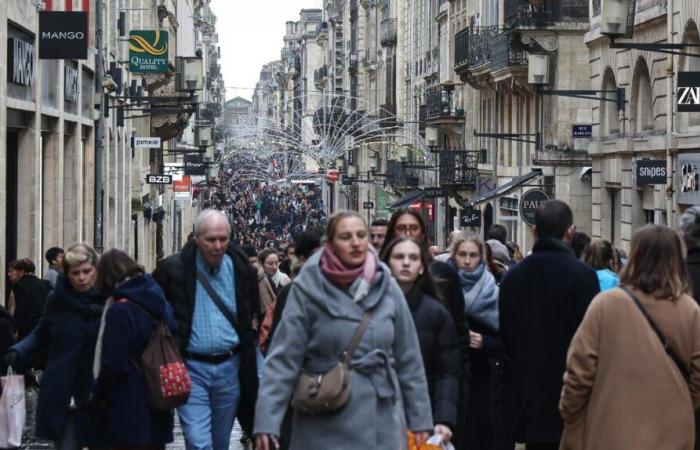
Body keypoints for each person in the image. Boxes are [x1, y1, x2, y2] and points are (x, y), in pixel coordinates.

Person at [254, 211, 433, 450]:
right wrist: (267, 421)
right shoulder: (307, 288)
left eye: (361, 235)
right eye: (346, 236)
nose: (356, 242)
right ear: (330, 244)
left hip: (381, 417)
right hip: (324, 415)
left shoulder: (385, 284)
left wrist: (420, 419)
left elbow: (409, 358)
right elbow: (284, 359)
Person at [560, 225, 700, 450]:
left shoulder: (605, 305)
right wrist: (680, 402)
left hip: (611, 428)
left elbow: (579, 370)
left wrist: (573, 415)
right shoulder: (689, 310)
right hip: (672, 431)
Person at [153, 209, 260, 450]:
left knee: (220, 442)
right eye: (211, 239)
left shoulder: (242, 270)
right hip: (191, 367)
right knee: (199, 442)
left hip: (230, 368)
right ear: (197, 238)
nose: (218, 245)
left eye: (223, 239)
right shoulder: (173, 270)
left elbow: (251, 313)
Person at [499, 200, 599, 450]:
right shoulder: (583, 276)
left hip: (529, 399)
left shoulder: (513, 278)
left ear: (534, 231)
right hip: (572, 397)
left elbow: (507, 340)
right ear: (571, 232)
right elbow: (593, 342)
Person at [381, 207, 470, 450]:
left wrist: (447, 414)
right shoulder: (371, 302)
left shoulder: (436, 309)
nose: (407, 234)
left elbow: (450, 365)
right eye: (401, 229)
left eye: (413, 228)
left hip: (427, 406)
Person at [4, 243, 107, 449]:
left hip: (100, 389)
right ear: (67, 274)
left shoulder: (109, 300)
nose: (81, 278)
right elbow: (41, 332)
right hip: (64, 387)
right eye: (75, 273)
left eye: (86, 271)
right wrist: (18, 350)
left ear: (96, 271)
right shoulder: (57, 300)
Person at [91, 249, 177, 449]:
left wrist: (98, 393)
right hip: (158, 394)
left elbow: (114, 363)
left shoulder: (119, 311)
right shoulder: (158, 298)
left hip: (128, 401)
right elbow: (173, 328)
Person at [450, 235, 502, 450]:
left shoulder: (493, 291)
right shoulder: (443, 286)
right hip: (452, 375)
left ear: (482, 258)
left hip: (483, 377)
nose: (468, 261)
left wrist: (485, 342)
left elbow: (506, 341)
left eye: (473, 255)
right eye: (463, 255)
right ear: (454, 256)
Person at [8, 259, 50, 341]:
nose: (9, 274)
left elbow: (20, 309)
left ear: (21, 271)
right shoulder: (45, 283)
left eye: (11, 271)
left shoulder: (19, 285)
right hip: (43, 326)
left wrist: (13, 328)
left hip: (27, 328)